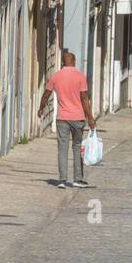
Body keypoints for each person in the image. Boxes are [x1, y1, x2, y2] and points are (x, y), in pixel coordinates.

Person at [38, 50, 97, 188]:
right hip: (78, 118)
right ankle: (78, 179)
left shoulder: (56, 76)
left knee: (62, 149)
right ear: (74, 62)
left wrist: (41, 108)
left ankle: (62, 180)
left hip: (62, 118)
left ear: (63, 62)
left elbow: (46, 94)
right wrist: (90, 118)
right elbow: (84, 98)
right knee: (77, 147)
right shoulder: (80, 76)